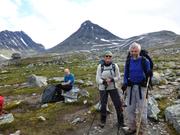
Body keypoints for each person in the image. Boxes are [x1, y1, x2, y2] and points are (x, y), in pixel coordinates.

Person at [121, 42, 152, 135]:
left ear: (139, 51)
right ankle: (132, 128)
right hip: (130, 88)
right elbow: (126, 74)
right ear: (130, 51)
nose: (134, 53)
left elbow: (149, 73)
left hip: (141, 88)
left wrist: (150, 73)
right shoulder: (128, 61)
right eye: (132, 51)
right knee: (130, 109)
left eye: (136, 51)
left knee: (142, 110)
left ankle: (142, 130)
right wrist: (125, 83)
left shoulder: (144, 61)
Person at [96, 51, 124, 128]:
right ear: (104, 57)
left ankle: (121, 121)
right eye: (106, 56)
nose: (108, 58)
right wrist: (104, 81)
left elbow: (118, 77)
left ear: (112, 58)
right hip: (102, 88)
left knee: (118, 104)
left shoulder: (115, 66)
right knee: (103, 105)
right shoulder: (100, 66)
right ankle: (103, 120)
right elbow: (97, 79)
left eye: (110, 56)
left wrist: (111, 80)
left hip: (113, 87)